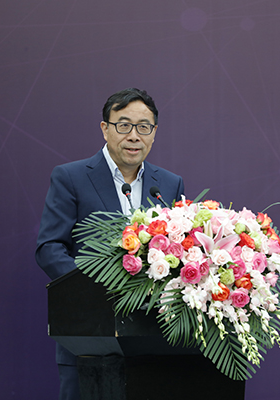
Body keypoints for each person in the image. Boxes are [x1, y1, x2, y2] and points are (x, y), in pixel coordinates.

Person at [35, 88, 185, 400]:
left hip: (154, 342)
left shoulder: (169, 184)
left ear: (154, 133)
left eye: (144, 127)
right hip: (89, 338)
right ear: (105, 128)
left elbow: (180, 249)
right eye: (124, 125)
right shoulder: (71, 177)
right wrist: (96, 290)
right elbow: (49, 248)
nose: (134, 136)